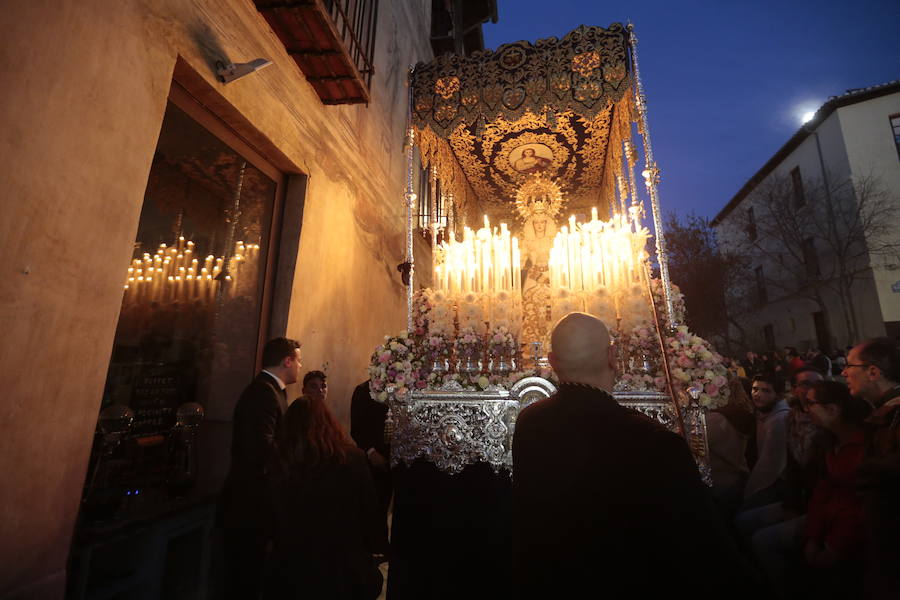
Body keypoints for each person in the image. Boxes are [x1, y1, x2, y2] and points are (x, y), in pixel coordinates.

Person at [512, 312, 759, 599]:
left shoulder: (530, 421)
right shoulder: (655, 441)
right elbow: (703, 547)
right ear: (613, 356)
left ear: (552, 362)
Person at [265, 380, 386, 599]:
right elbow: (369, 513)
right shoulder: (352, 459)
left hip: (289, 571)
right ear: (329, 423)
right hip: (341, 570)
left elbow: (268, 516)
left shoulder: (279, 460)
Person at [220, 337, 302, 600]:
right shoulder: (262, 392)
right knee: (246, 576)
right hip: (250, 502)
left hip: (261, 500)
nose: (300, 366)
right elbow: (260, 447)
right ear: (287, 361)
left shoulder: (274, 391)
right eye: (298, 360)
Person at [800, 381, 871, 597]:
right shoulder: (830, 441)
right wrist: (813, 538)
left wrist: (833, 546)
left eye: (810, 403)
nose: (805, 409)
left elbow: (862, 504)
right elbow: (822, 492)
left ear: (833, 409)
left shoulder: (866, 446)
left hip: (855, 536)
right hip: (828, 523)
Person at [843, 337, 900, 597]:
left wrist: (868, 472)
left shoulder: (895, 414)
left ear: (873, 372)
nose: (843, 372)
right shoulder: (877, 412)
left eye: (849, 366)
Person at [350, 379, 392, 557]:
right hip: (374, 459)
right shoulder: (362, 390)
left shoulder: (403, 389)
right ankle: (373, 549)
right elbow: (357, 428)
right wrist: (371, 452)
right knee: (375, 505)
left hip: (396, 458)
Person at [741, 374, 790, 509]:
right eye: (755, 389)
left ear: (779, 395)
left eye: (766, 391)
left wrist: (749, 490)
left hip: (777, 483)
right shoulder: (763, 412)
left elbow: (769, 466)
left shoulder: (779, 420)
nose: (758, 394)